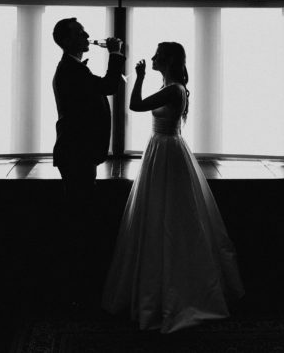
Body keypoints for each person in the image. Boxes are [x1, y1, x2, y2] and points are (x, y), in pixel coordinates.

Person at [102, 42, 244, 333]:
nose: (151, 58)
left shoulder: (174, 88)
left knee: (169, 219)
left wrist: (139, 77)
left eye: (156, 55)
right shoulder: (173, 87)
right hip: (162, 150)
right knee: (162, 217)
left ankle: (176, 296)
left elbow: (135, 105)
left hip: (165, 152)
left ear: (167, 60)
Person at [51, 17, 125, 303]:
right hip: (76, 154)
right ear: (68, 40)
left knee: (79, 213)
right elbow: (108, 86)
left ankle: (79, 283)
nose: (88, 36)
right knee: (80, 217)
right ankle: (79, 286)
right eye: (81, 33)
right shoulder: (70, 70)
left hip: (78, 153)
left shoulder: (72, 68)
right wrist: (116, 54)